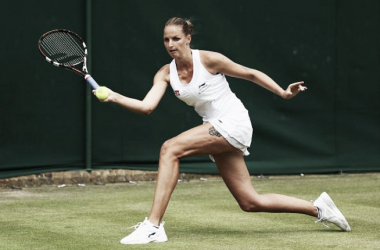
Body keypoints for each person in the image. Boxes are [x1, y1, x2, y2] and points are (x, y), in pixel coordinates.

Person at [94, 17, 351, 245]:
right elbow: (147, 106)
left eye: (176, 38)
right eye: (166, 40)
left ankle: (153, 226)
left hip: (233, 122)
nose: (171, 44)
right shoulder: (165, 73)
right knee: (250, 202)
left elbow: (250, 74)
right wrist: (114, 96)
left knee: (169, 148)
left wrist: (283, 93)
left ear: (188, 39)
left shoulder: (208, 59)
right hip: (215, 127)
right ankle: (319, 209)